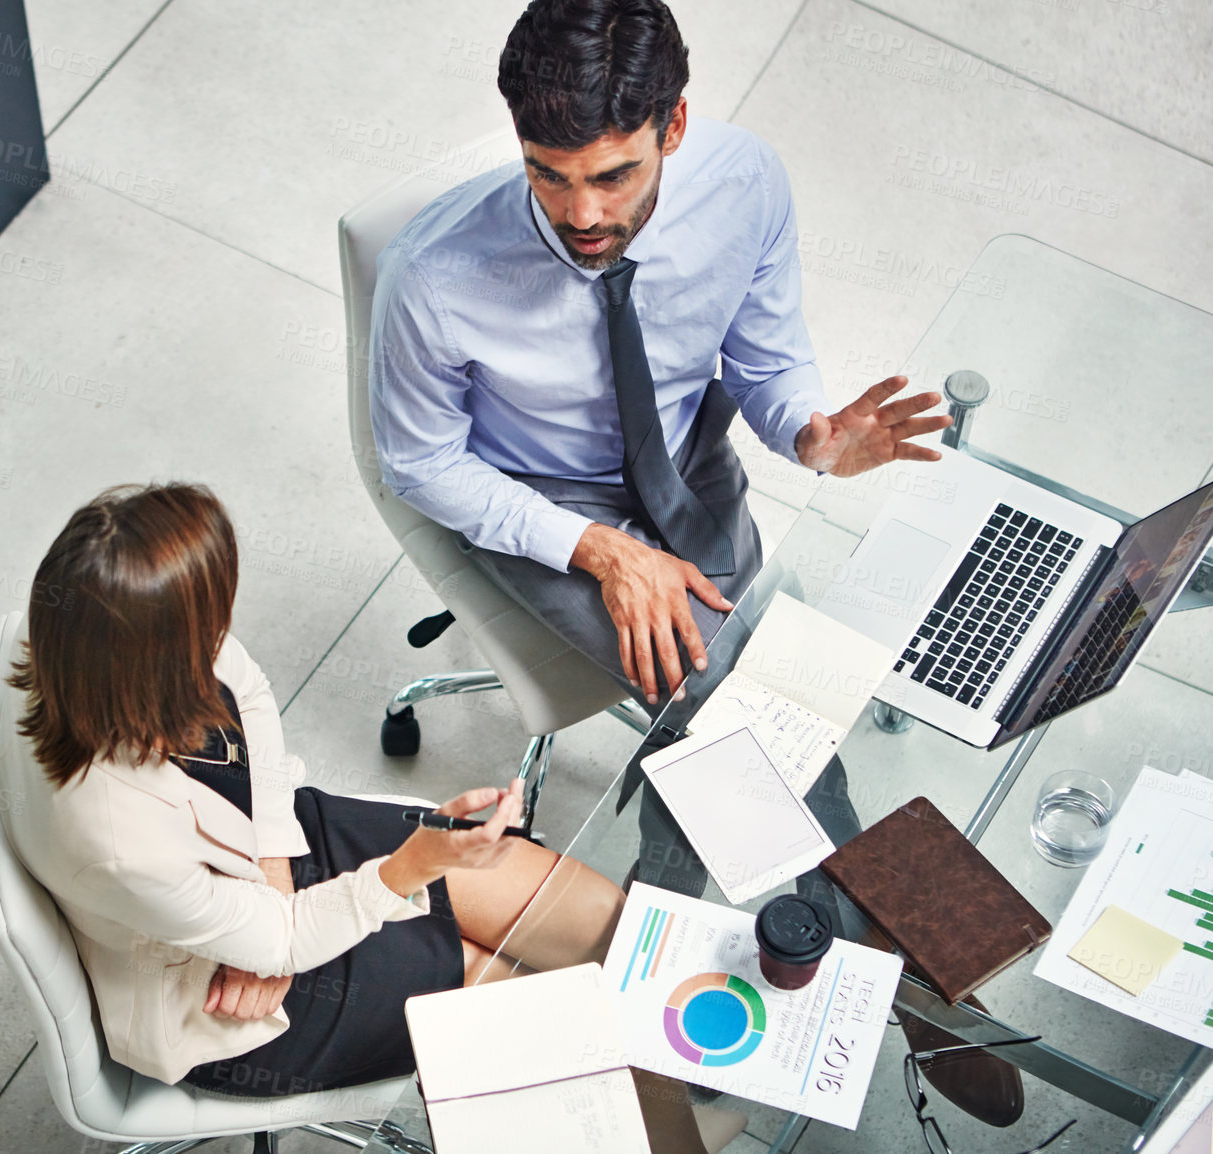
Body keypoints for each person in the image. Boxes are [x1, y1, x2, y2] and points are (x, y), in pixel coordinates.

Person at [367, 0, 1017, 1127]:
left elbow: (763, 364)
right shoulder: (435, 274)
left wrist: (813, 435)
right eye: (548, 176)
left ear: (672, 125)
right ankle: (911, 969)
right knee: (739, 692)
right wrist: (598, 548)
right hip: (547, 508)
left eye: (612, 176)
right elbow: (415, 462)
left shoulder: (743, 184)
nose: (580, 214)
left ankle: (695, 1010)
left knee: (775, 697)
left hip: (687, 463)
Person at [0, 483, 738, 1150]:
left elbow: (246, 689)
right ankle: (673, 1138)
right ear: (154, 667)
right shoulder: (118, 837)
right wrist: (384, 879)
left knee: (564, 903)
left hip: (263, 866)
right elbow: (282, 939)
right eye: (207, 624)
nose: (221, 633)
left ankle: (698, 1056)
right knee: (523, 999)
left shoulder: (99, 644)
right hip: (223, 1003)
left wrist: (276, 877)